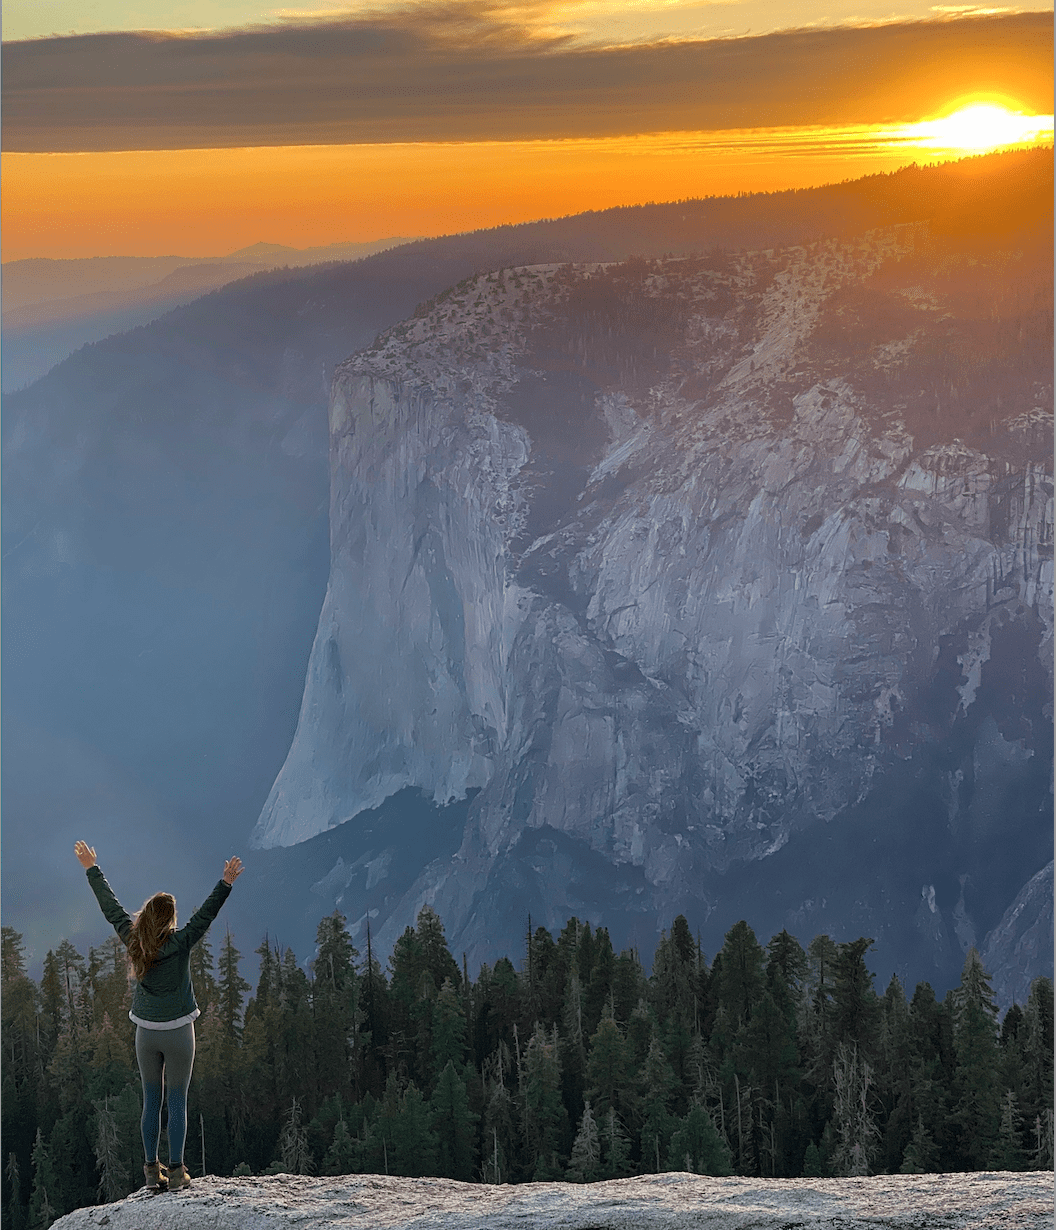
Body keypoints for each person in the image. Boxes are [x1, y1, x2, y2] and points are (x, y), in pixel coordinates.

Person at [74, 839, 243, 1192]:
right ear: (169, 920)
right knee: (177, 1100)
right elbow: (206, 915)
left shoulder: (133, 940)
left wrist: (92, 869)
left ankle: (152, 1172)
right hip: (180, 1031)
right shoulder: (181, 943)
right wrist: (225, 882)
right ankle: (178, 1172)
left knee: (152, 1101)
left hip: (146, 1034)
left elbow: (112, 908)